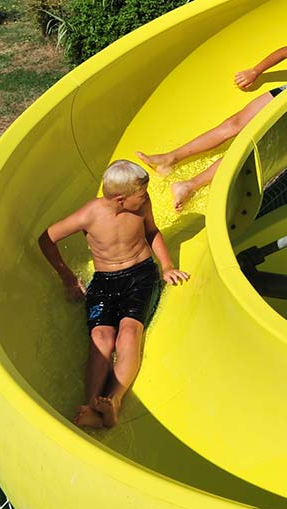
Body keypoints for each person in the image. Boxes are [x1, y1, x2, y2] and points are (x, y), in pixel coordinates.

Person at [37, 160, 189, 430]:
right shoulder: (90, 214)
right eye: (140, 195)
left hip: (141, 276)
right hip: (105, 281)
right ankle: (92, 406)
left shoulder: (140, 204)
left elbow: (152, 232)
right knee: (101, 337)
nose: (145, 198)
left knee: (128, 334)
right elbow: (46, 239)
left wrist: (166, 266)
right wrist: (67, 278)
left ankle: (114, 400)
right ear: (120, 199)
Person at [138, 33, 287, 209]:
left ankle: (190, 185)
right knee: (233, 124)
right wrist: (255, 71)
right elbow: (284, 52)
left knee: (247, 147)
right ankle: (170, 158)